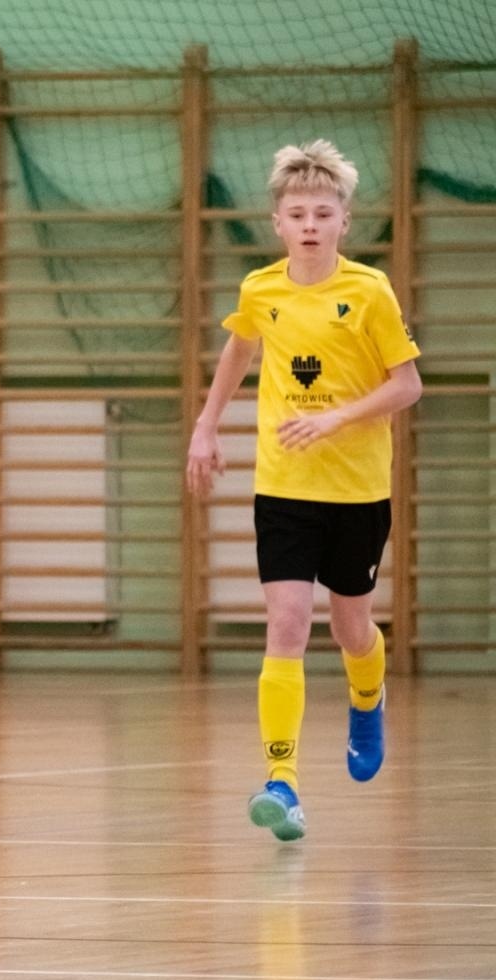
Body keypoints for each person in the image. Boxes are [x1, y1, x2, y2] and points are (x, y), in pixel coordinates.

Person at [187, 139, 422, 842]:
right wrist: (206, 426)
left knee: (352, 626)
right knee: (287, 621)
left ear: (344, 221)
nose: (311, 223)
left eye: (324, 211)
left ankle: (366, 695)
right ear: (279, 222)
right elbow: (238, 348)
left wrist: (336, 418)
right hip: (283, 486)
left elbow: (407, 384)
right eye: (298, 212)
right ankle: (281, 782)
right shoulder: (261, 290)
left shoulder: (368, 292)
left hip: (355, 489)